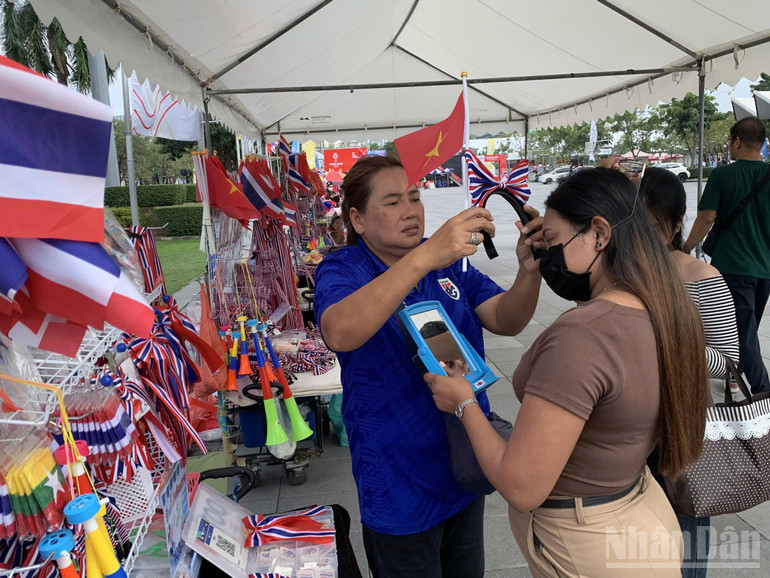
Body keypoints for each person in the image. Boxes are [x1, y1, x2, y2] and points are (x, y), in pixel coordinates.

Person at [425, 168, 709, 577]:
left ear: (599, 233)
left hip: (587, 543)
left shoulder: (584, 335)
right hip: (640, 509)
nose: (548, 255)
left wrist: (464, 402)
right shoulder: (670, 308)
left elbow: (522, 486)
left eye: (554, 242)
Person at [313, 154, 543, 577]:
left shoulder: (449, 265)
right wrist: (422, 258)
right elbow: (340, 332)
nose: (411, 211)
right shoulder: (344, 268)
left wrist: (529, 274)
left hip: (465, 464)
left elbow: (506, 319)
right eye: (393, 201)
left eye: (415, 198)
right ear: (358, 219)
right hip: (397, 483)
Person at [640, 167, 740, 578]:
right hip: (629, 424)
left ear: (676, 224)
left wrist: (671, 346)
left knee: (685, 532)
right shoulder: (621, 273)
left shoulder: (703, 279)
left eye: (651, 228)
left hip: (682, 428)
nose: (641, 239)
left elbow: (729, 362)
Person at [684, 118, 770, 395]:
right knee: (748, 330)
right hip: (765, 269)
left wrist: (685, 249)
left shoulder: (723, 176)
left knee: (743, 336)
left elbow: (706, 218)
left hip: (733, 267)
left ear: (736, 141)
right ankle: (737, 374)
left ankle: (762, 395)